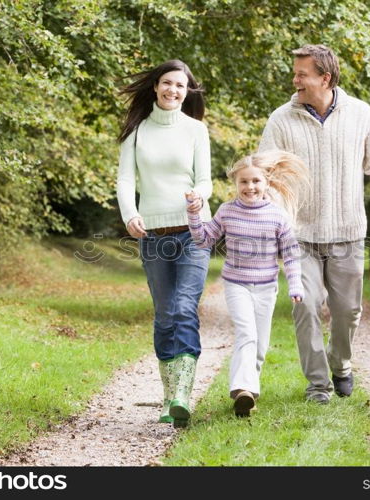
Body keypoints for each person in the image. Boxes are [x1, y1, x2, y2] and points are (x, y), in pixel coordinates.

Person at [259, 44, 370, 404]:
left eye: (302, 74)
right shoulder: (281, 119)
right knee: (304, 307)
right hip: (299, 237)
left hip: (347, 234)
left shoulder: (361, 114)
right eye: (296, 73)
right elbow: (266, 174)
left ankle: (341, 364)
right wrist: (276, 217)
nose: (295, 79)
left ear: (326, 77)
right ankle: (318, 384)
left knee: (347, 312)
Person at [116, 60, 212, 428]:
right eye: (168, 83)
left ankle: (182, 397)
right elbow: (126, 180)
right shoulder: (136, 131)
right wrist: (129, 214)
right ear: (156, 86)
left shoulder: (195, 130)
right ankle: (169, 392)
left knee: (185, 307)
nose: (174, 90)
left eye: (181, 86)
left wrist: (198, 197)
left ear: (188, 92)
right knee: (165, 315)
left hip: (193, 232)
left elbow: (205, 180)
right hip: (152, 234)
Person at [185, 150, 307, 417]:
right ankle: (241, 389)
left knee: (260, 346)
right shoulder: (227, 211)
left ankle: (249, 395)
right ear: (235, 183)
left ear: (266, 184)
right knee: (247, 334)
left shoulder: (277, 215)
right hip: (236, 284)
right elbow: (203, 240)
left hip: (266, 287)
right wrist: (194, 215)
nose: (250, 187)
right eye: (244, 182)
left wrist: (296, 285)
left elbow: (290, 253)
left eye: (255, 181)